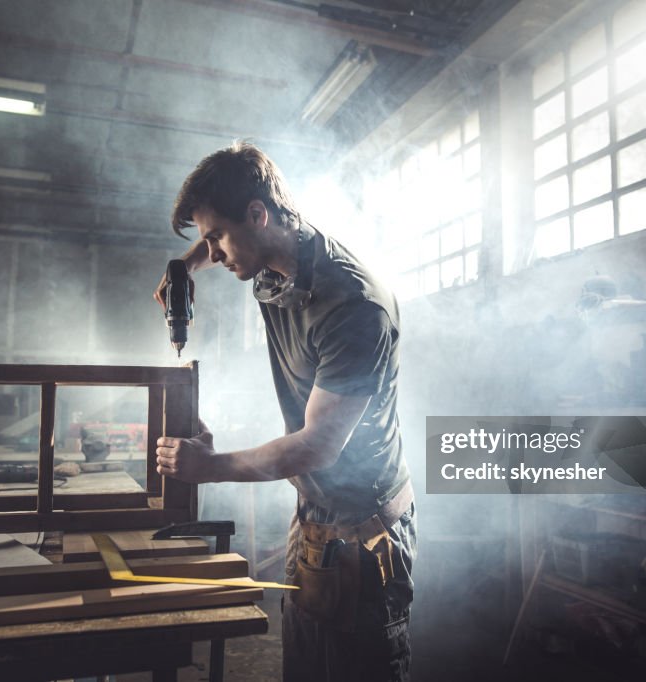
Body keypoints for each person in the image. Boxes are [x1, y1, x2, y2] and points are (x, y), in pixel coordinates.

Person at [153, 141, 415, 681]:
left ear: (258, 214)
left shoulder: (352, 305)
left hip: (365, 535)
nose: (216, 254)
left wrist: (210, 466)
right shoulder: (272, 262)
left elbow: (318, 445)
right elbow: (225, 238)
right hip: (313, 519)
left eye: (216, 238)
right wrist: (184, 266)